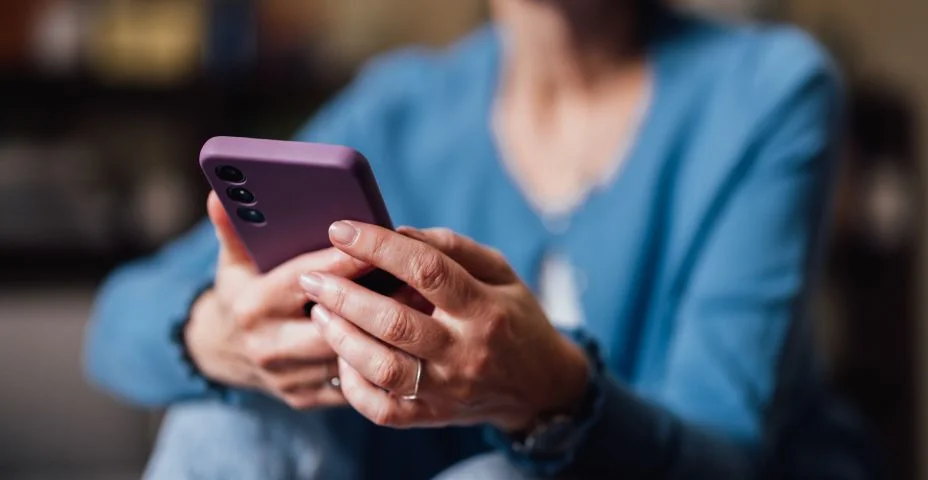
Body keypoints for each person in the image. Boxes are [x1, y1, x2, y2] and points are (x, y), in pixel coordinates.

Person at [84, 0, 874, 478]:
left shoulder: (768, 92)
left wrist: (555, 394)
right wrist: (219, 335)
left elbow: (725, 454)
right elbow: (117, 320)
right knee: (224, 423)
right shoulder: (403, 105)